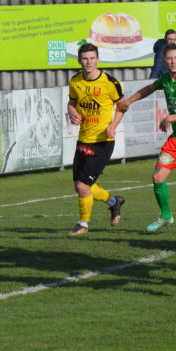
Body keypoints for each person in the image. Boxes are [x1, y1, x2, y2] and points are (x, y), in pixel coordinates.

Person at [120, 43, 176, 236]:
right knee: (157, 176)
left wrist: (171, 117)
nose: (173, 61)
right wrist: (128, 102)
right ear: (164, 61)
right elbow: (149, 88)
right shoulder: (165, 79)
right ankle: (165, 216)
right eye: (169, 58)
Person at [66, 43, 126, 236]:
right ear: (79, 60)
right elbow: (72, 102)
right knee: (81, 185)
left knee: (83, 185)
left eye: (92, 58)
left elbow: (122, 106)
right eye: (85, 58)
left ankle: (83, 225)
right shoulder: (75, 81)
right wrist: (72, 113)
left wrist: (113, 126)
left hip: (102, 142)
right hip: (84, 139)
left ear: (98, 59)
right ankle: (114, 202)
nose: (89, 62)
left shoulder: (110, 82)